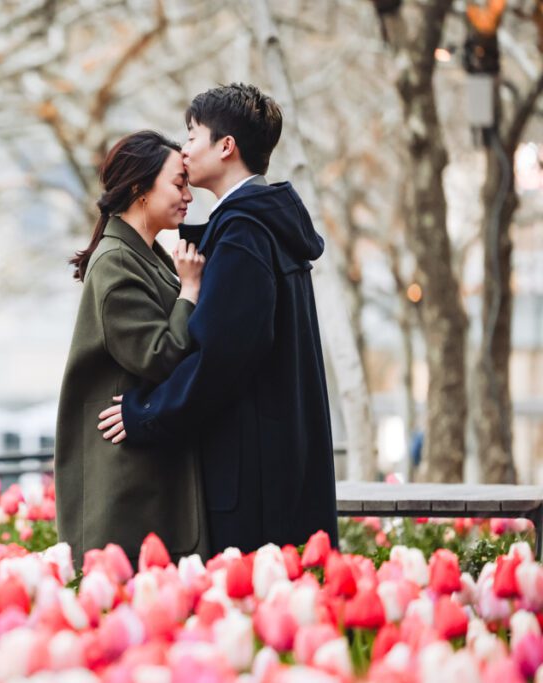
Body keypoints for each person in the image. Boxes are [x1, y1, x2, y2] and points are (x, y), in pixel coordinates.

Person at [98, 84, 338, 555]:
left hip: (252, 484)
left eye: (192, 135)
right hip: (278, 466)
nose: (184, 151)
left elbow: (219, 360)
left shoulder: (245, 234)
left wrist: (144, 413)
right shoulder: (262, 224)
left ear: (226, 146)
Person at [54, 130, 209, 568]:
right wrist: (190, 291)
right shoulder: (116, 260)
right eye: (179, 183)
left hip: (143, 475)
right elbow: (159, 355)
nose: (188, 195)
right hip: (124, 488)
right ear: (141, 189)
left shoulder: (144, 254)